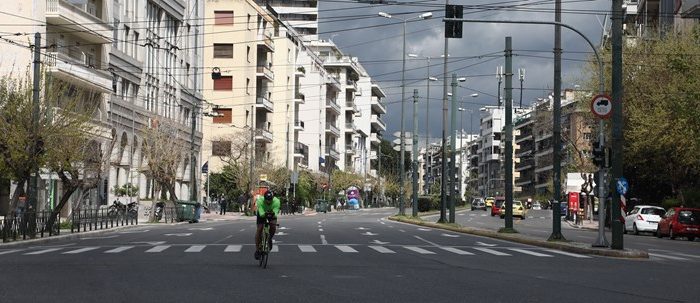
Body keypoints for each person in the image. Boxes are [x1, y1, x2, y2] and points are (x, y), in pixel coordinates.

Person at [254, 190, 280, 260]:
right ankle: (257, 250)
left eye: (270, 200)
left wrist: (273, 215)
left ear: (272, 198)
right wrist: (264, 214)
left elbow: (275, 212)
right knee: (259, 229)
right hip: (262, 214)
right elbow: (261, 212)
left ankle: (269, 239)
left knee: (273, 226)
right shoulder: (260, 201)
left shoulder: (276, 201)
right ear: (264, 198)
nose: (268, 202)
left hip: (272, 215)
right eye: (267, 200)